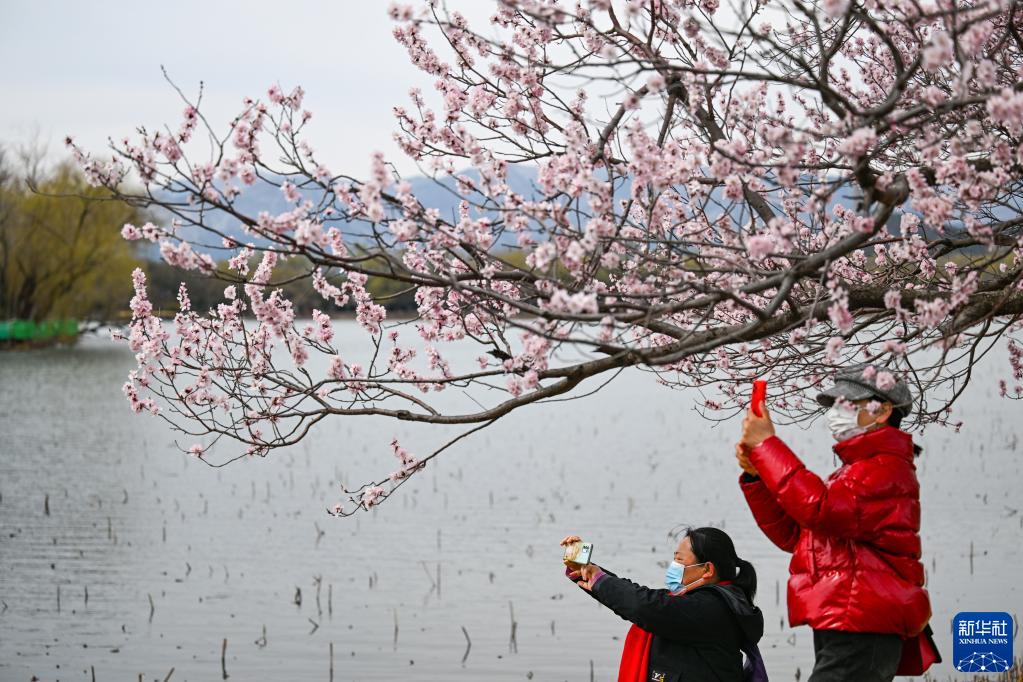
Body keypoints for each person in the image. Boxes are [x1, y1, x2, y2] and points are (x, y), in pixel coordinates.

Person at [736, 364, 932, 682]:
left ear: (882, 411)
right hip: (845, 614)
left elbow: (820, 510)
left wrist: (767, 446)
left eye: (846, 404)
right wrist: (758, 477)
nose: (834, 414)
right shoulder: (855, 471)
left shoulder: (884, 469)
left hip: (865, 616)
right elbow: (796, 535)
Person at [560, 527, 767, 682]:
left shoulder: (710, 609)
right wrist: (585, 568)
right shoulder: (693, 601)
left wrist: (600, 579)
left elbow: (644, 606)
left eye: (680, 560)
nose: (674, 566)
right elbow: (638, 598)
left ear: (707, 570)